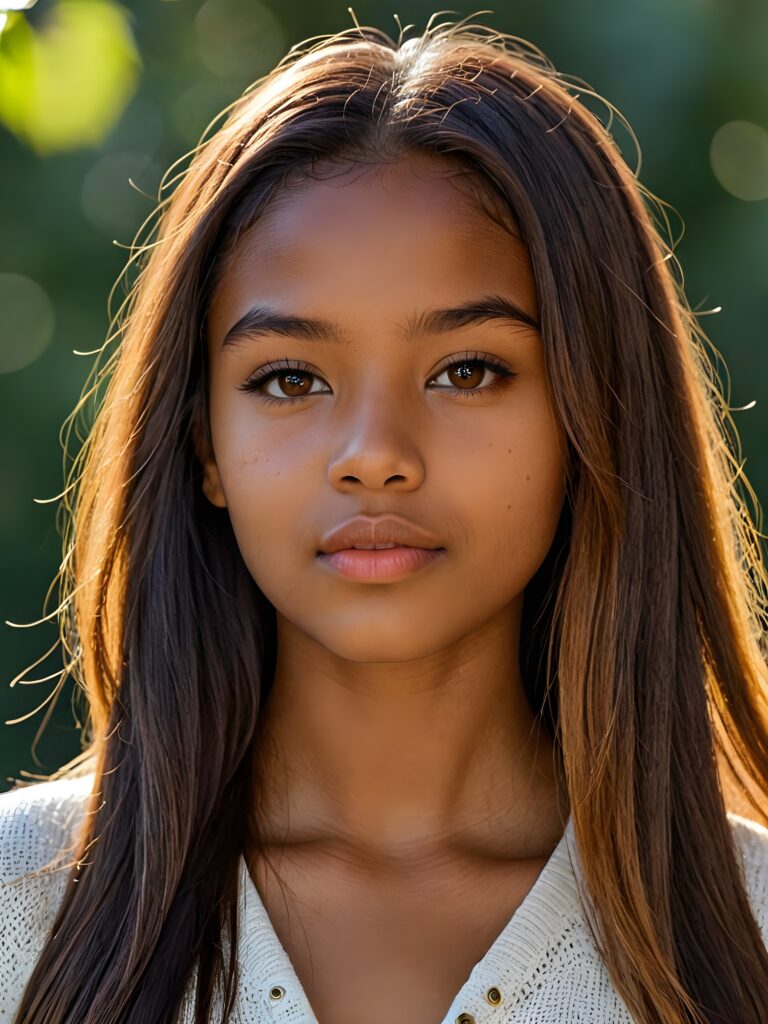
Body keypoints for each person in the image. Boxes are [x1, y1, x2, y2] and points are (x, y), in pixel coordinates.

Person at [1, 12, 767, 1024]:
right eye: (288, 379)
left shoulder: (746, 933)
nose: (373, 453)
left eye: (467, 370)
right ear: (203, 445)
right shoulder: (21, 915)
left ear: (595, 416)